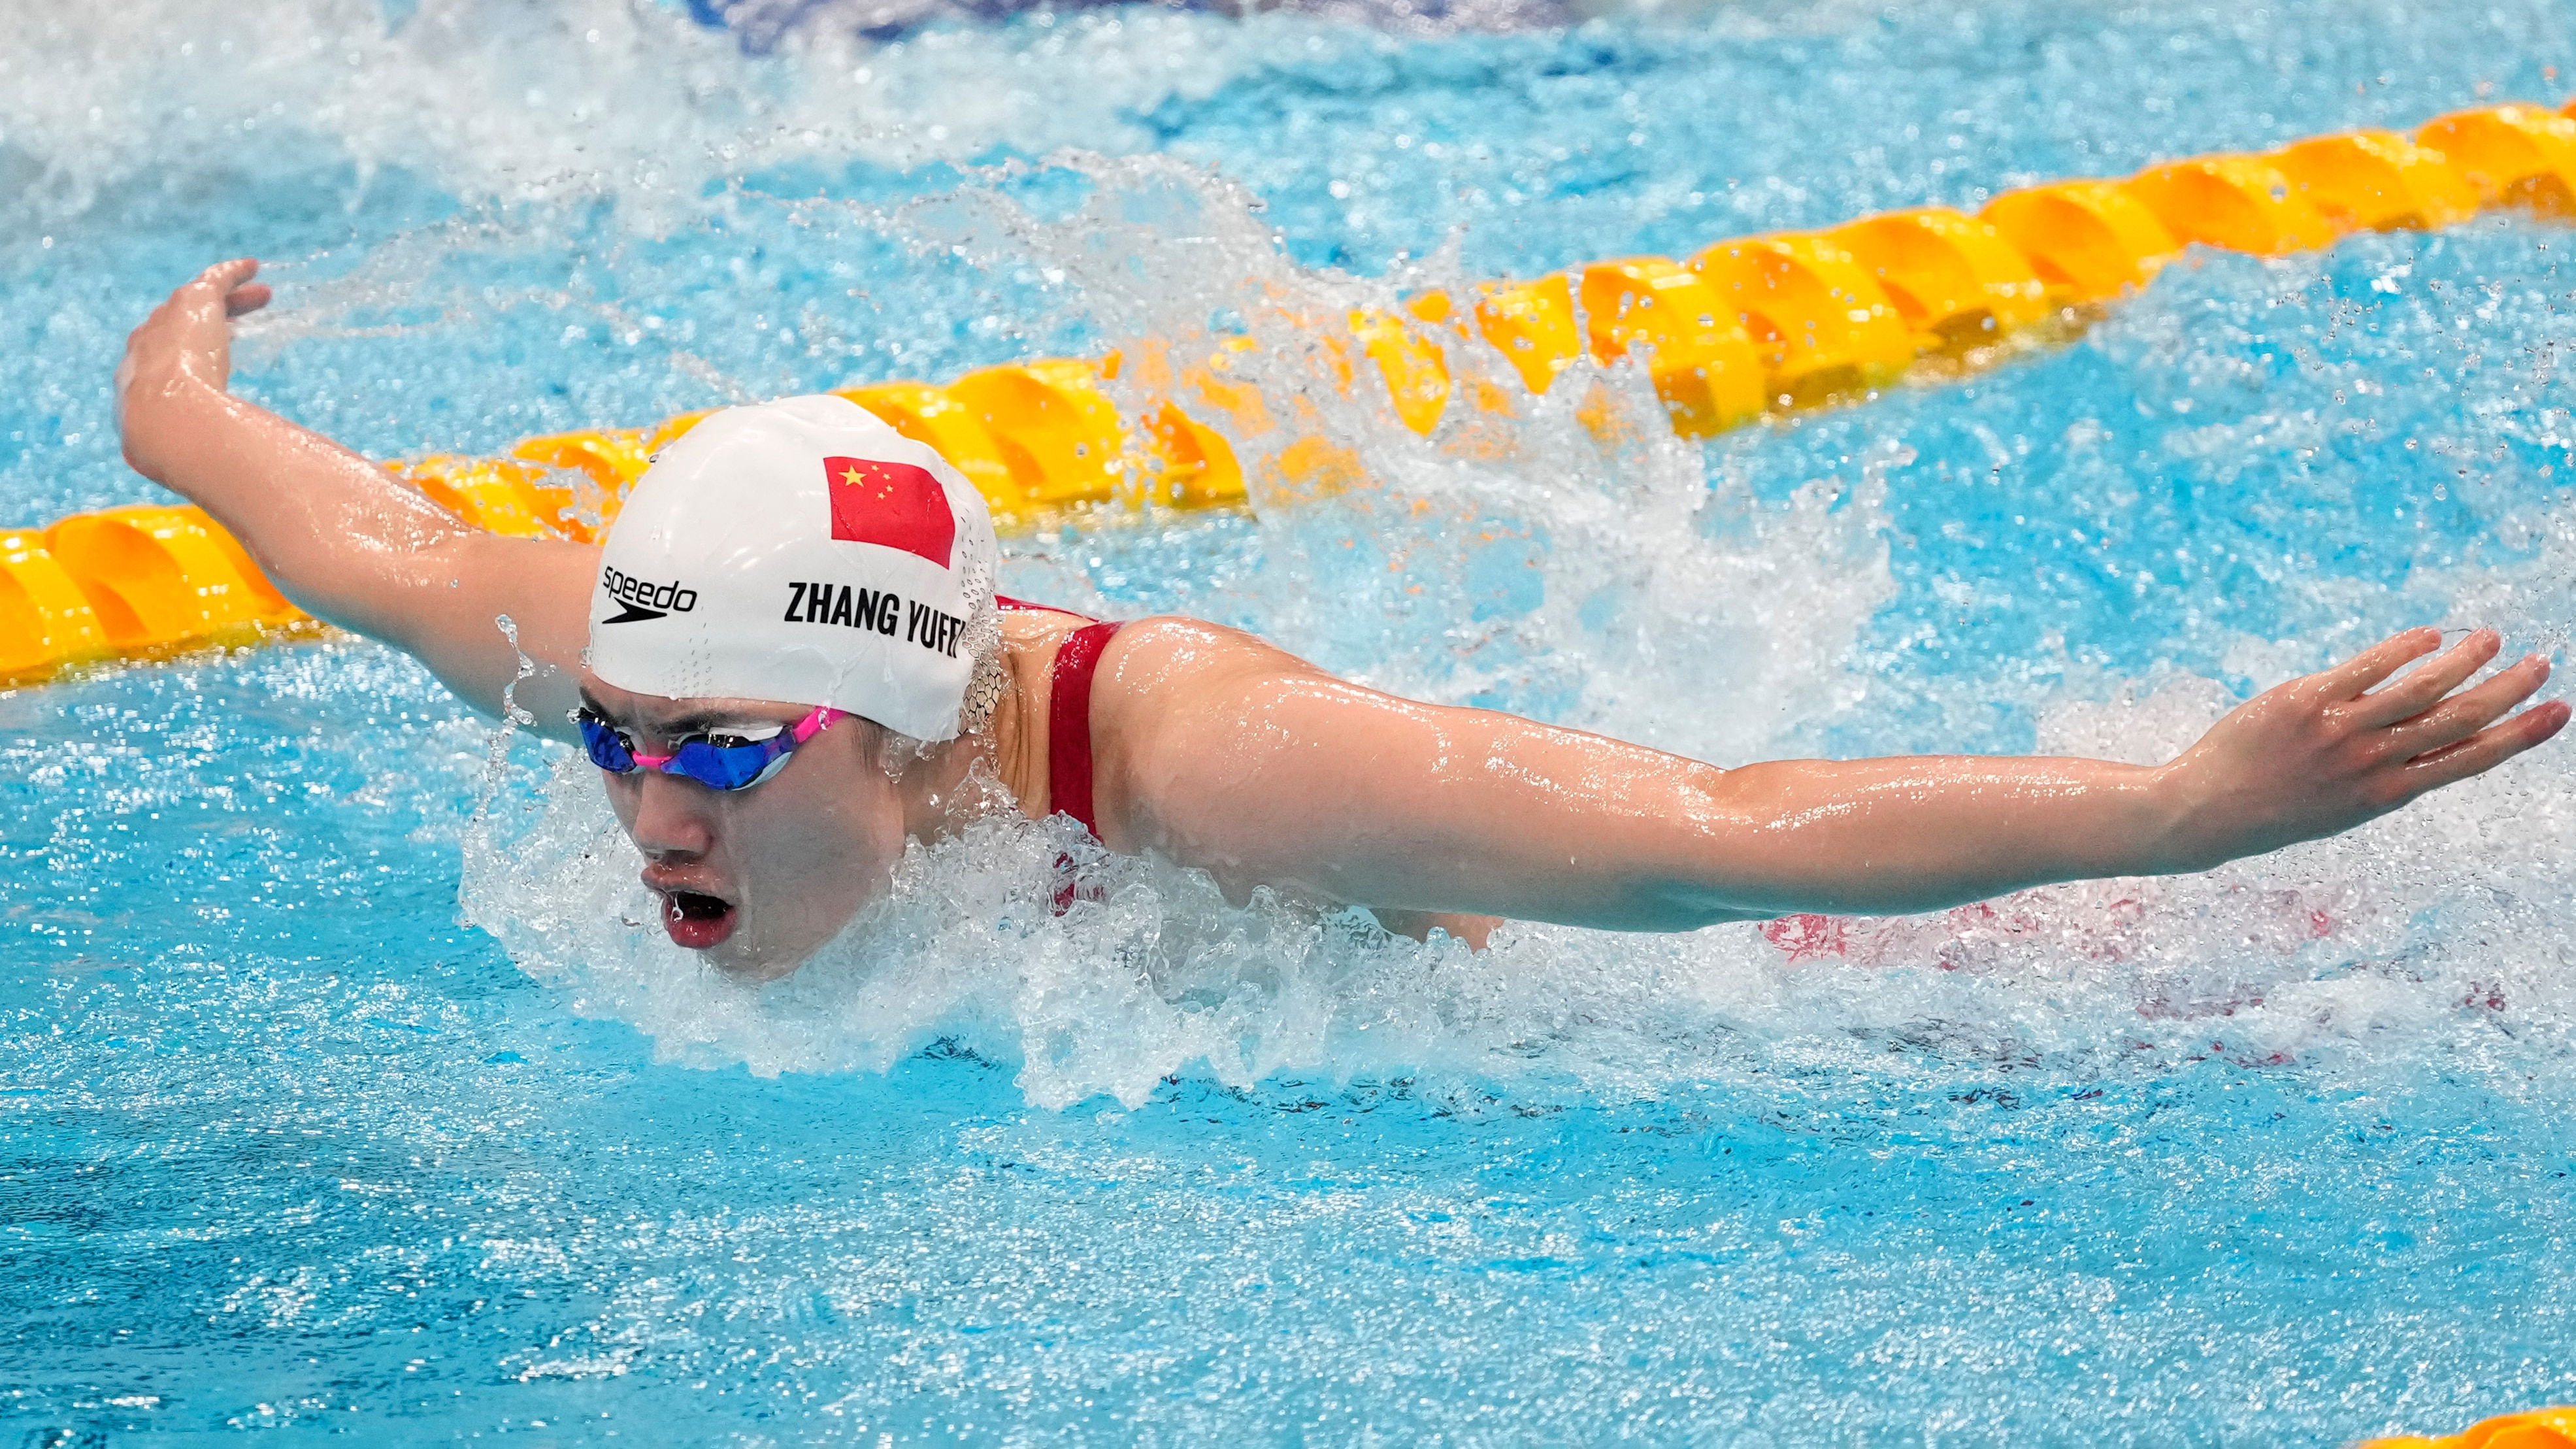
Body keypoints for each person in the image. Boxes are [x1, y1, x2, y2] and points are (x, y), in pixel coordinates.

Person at [116, 259, 2569, 979]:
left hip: (1764, 992)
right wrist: (182, 402)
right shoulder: (658, 645)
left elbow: (1716, 827)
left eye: (723, 755)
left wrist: (2179, 810)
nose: (647, 793)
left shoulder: (1199, 758)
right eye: (621, 739)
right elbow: (384, 549)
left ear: (893, 720)